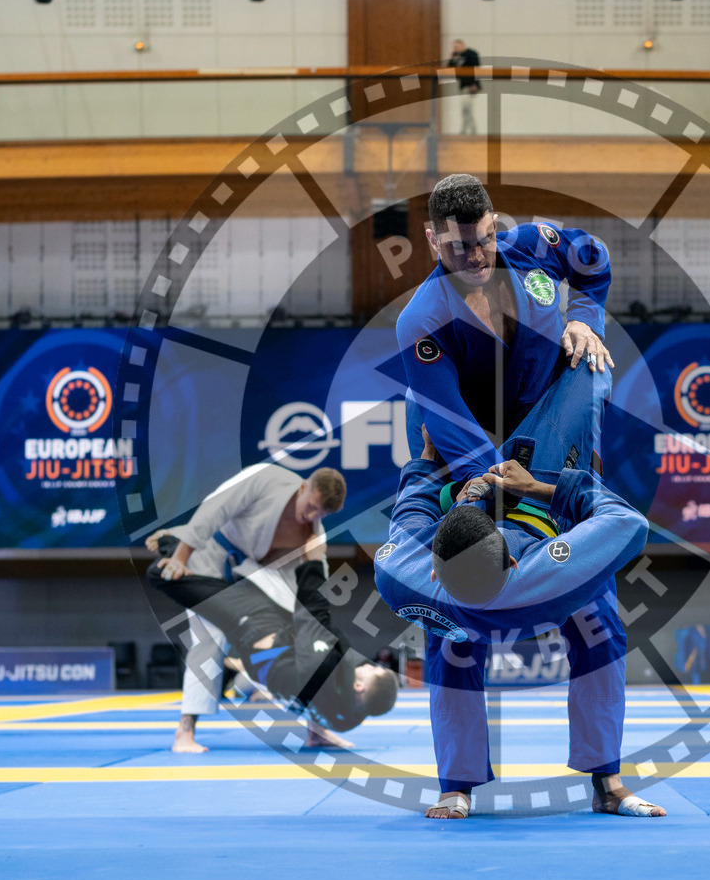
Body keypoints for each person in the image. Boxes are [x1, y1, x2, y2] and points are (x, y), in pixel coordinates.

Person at [375, 414, 663, 821]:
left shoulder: (401, 575)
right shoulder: (550, 572)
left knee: (596, 630)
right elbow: (625, 521)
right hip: (536, 558)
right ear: (512, 561)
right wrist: (547, 488)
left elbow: (410, 513)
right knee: (599, 623)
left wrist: (427, 463)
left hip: (495, 570)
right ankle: (598, 784)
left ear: (433, 569)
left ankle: (604, 783)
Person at [146, 463, 394, 749]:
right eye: (311, 507)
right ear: (303, 487)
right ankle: (184, 733)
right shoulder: (266, 479)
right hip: (209, 550)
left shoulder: (313, 534)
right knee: (210, 638)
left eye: (321, 514)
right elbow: (216, 508)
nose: (312, 516)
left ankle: (316, 730)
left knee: (308, 638)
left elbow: (314, 604)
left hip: (251, 568)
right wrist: (180, 554)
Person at [396, 173, 613, 481]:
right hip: (475, 431)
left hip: (546, 416)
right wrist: (497, 482)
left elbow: (592, 257)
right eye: (458, 246)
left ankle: (555, 473)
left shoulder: (532, 246)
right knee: (418, 398)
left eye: (484, 240)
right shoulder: (422, 319)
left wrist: (584, 319)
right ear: (433, 241)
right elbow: (450, 420)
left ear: (495, 226)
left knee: (593, 364)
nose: (475, 258)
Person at [447, 39, 481, 135]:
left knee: (466, 108)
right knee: (465, 109)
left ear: (463, 45)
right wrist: (453, 58)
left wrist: (475, 84)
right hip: (463, 86)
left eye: (457, 47)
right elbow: (449, 67)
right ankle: (469, 129)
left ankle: (468, 130)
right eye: (454, 47)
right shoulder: (457, 56)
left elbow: (476, 70)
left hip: (470, 85)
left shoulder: (471, 54)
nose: (456, 49)